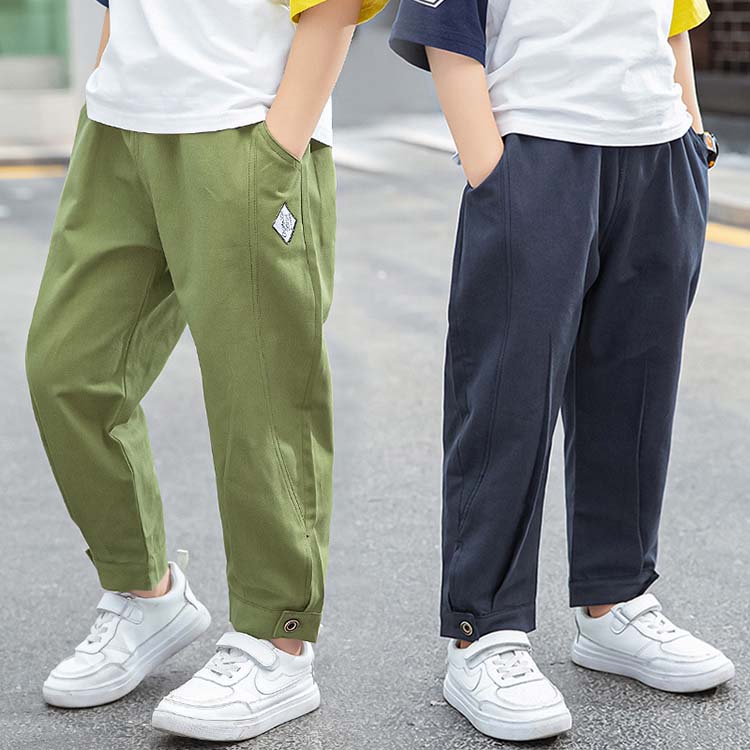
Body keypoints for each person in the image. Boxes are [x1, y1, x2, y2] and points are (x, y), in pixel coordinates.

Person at [25, 0, 385, 741]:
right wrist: (108, 86)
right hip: (120, 126)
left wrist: (281, 145)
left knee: (260, 398)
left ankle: (278, 639)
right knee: (66, 370)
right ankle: (145, 593)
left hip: (241, 122)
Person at [389, 0, 732, 742]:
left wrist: (693, 140)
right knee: (504, 399)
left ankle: (616, 601)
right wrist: (492, 171)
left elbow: (675, 18)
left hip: (659, 149)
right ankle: (483, 632)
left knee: (636, 395)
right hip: (538, 147)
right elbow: (447, 29)